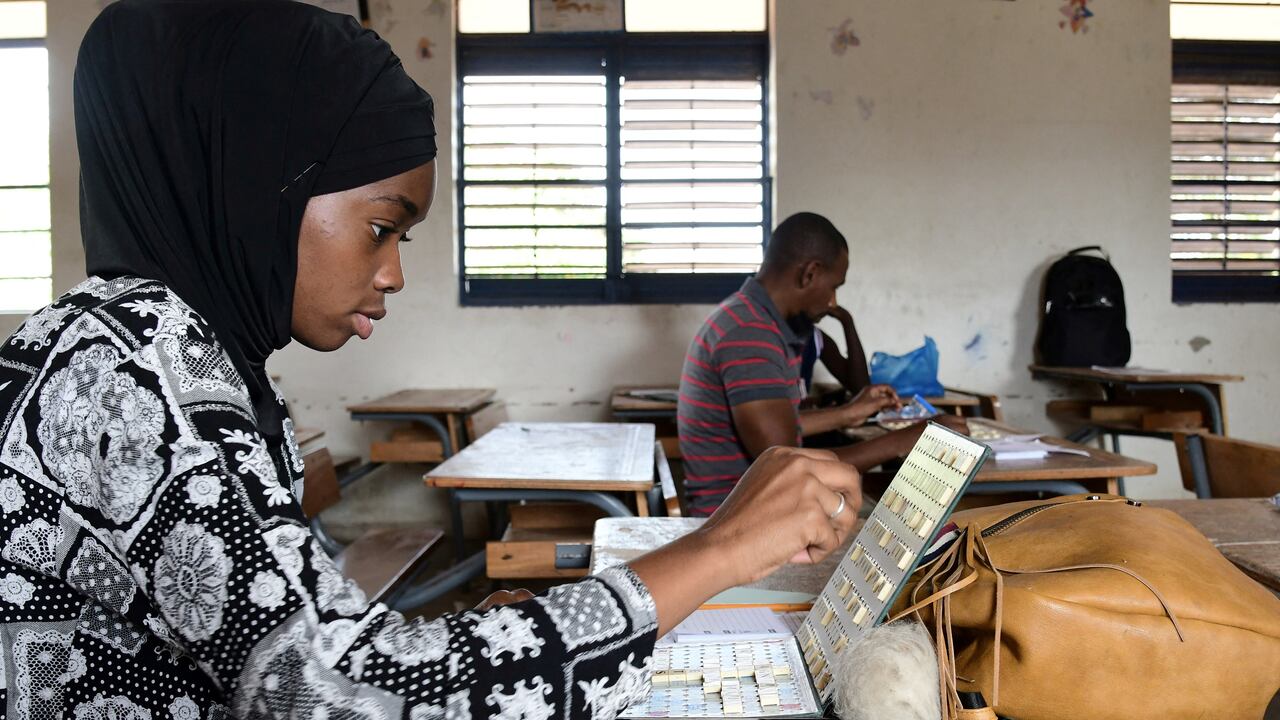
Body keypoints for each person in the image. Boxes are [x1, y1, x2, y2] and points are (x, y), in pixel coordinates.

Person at [0, 2, 859, 717]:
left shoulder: (170, 353)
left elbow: (297, 646)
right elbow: (334, 693)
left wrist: (480, 644)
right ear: (261, 183)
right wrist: (721, 546)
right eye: (381, 227)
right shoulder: (132, 368)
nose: (394, 274)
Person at [677, 212, 967, 516]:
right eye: (834, 286)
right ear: (810, 273)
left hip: (751, 509)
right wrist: (912, 438)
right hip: (735, 521)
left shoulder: (754, 321)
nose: (832, 302)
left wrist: (847, 414)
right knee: (900, 519)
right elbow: (786, 465)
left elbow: (781, 428)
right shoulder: (749, 333)